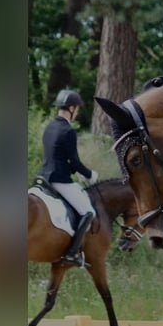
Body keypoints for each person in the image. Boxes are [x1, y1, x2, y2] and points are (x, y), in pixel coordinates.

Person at [38, 89, 99, 267]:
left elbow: (58, 156)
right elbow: (74, 161)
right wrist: (89, 175)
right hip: (59, 180)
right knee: (88, 212)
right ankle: (72, 254)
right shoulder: (68, 130)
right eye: (77, 109)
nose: (77, 113)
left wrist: (76, 170)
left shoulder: (49, 127)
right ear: (71, 108)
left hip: (43, 177)